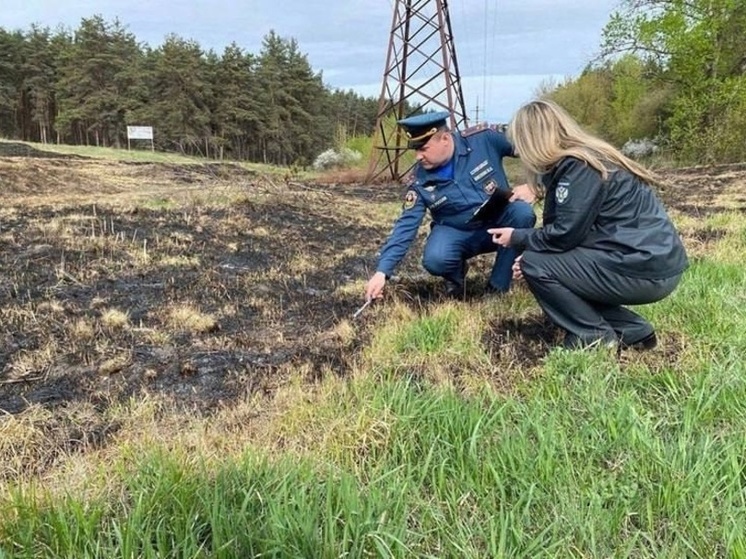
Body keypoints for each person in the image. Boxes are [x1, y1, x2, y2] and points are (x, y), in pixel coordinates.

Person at [489, 100, 688, 350]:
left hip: (641, 266)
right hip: (652, 261)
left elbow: (564, 236)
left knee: (536, 264)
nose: (517, 149)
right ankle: (632, 330)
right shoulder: (586, 161)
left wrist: (518, 239)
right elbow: (581, 231)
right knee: (541, 262)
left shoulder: (579, 168)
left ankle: (592, 336)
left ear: (532, 140)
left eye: (519, 141)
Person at [364, 111, 536, 301]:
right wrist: (382, 272)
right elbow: (405, 226)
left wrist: (537, 186)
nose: (418, 157)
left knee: (522, 213)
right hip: (458, 232)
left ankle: (497, 288)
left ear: (444, 139)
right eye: (415, 150)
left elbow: (539, 149)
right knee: (435, 259)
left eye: (424, 148)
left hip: (499, 221)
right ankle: (456, 279)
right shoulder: (419, 181)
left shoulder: (483, 139)